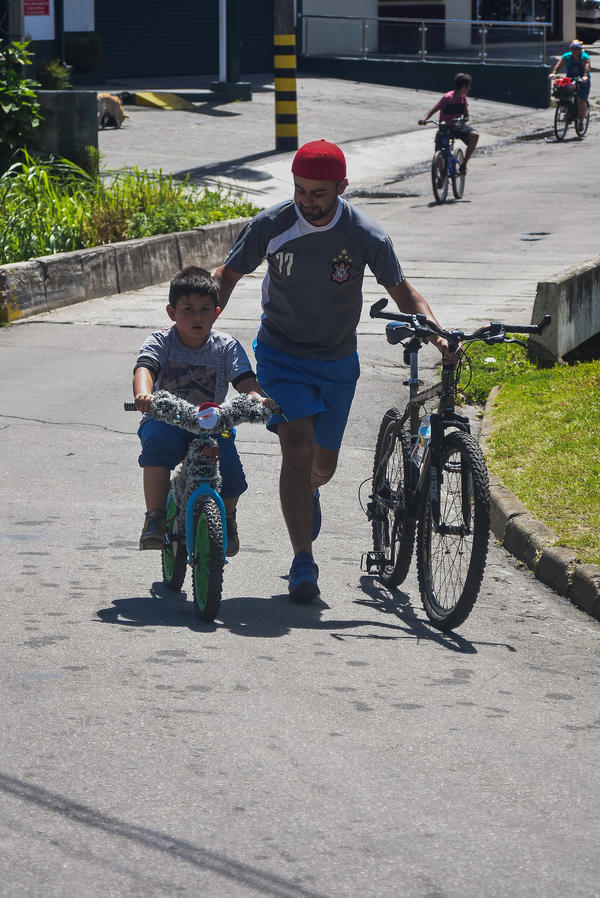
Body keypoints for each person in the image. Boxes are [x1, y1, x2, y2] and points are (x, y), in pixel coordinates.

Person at [212, 139, 453, 602]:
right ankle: (303, 560)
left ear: (342, 187)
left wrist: (434, 331)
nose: (308, 201)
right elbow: (227, 275)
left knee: (322, 466)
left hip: (338, 361)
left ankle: (311, 491)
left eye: (319, 192)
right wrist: (198, 327)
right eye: (301, 190)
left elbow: (403, 292)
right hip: (281, 356)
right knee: (296, 451)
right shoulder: (271, 225)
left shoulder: (366, 235)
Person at [133, 266, 274, 554]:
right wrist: (144, 394)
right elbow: (145, 367)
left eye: (204, 309)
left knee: (231, 473)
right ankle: (156, 517)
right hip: (167, 419)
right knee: (157, 447)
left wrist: (257, 398)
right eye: (188, 309)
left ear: (217, 312)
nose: (197, 317)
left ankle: (229, 517)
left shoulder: (226, 346)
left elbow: (244, 379)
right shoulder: (161, 340)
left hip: (211, 424)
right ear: (172, 312)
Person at [418, 72, 479, 174]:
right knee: (439, 150)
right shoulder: (447, 98)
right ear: (463, 86)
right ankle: (441, 174)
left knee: (475, 135)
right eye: (468, 86)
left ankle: (464, 164)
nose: (469, 89)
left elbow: (466, 116)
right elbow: (435, 108)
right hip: (445, 127)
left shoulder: (463, 99)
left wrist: (459, 124)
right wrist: (424, 118)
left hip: (458, 127)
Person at [549, 39, 591, 131]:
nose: (575, 51)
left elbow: (586, 67)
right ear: (570, 49)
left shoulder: (584, 57)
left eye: (577, 49)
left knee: (580, 100)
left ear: (580, 50)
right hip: (570, 79)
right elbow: (559, 65)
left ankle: (581, 121)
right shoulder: (567, 57)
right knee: (564, 94)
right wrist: (554, 73)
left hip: (582, 80)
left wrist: (584, 76)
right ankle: (567, 111)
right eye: (573, 49)